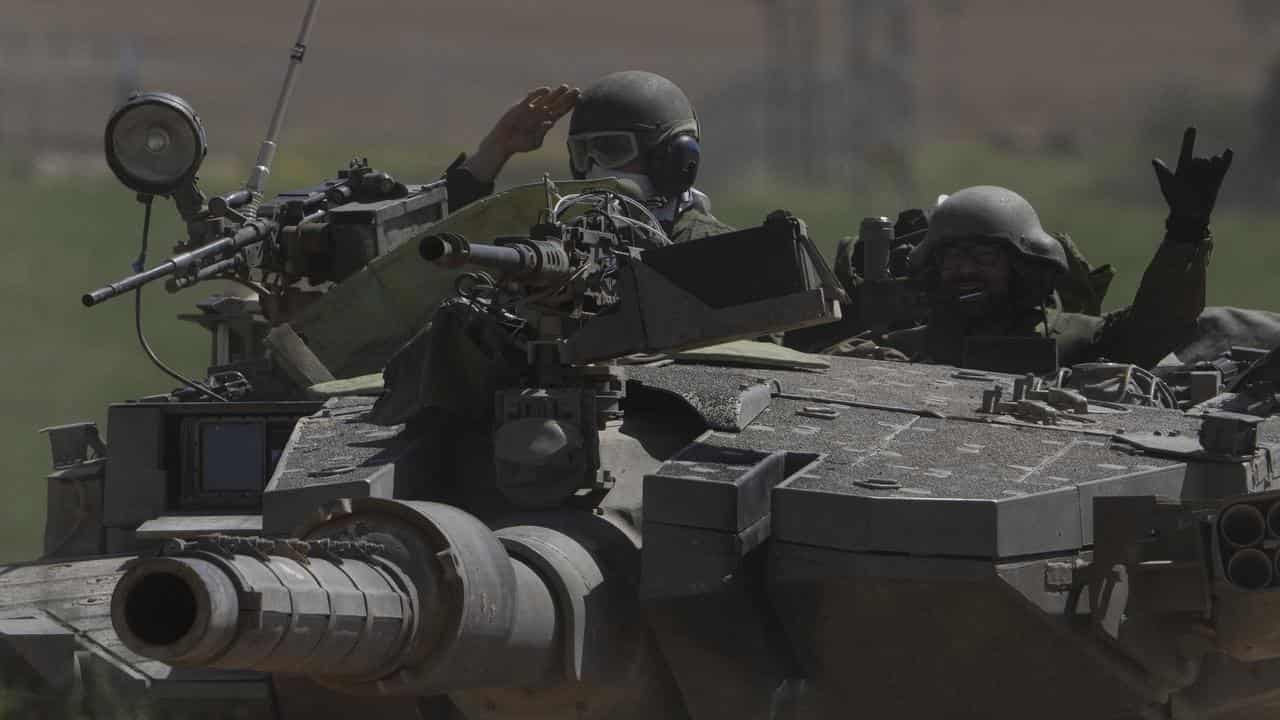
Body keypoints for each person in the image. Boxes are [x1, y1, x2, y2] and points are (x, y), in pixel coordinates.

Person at [833, 128, 1233, 371]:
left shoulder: (1077, 340)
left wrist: (1186, 230)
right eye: (954, 257)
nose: (966, 270)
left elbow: (1158, 324)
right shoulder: (902, 350)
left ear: (1023, 269)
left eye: (985, 257)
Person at [443, 71, 733, 243]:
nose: (593, 165)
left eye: (611, 149)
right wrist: (495, 150)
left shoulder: (722, 251)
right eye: (583, 153)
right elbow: (436, 246)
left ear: (674, 158)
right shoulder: (555, 237)